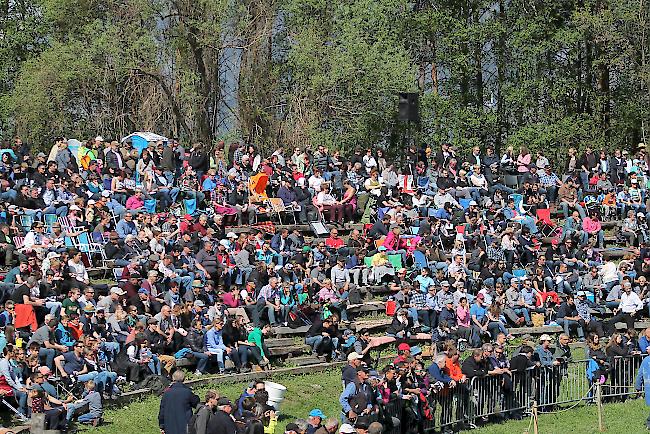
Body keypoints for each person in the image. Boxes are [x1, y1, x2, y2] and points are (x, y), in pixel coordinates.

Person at [158, 370, 200, 434]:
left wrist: (162, 426)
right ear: (183, 379)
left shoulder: (166, 393)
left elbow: (162, 412)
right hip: (185, 426)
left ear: (173, 378)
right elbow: (196, 403)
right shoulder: (187, 392)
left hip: (170, 427)